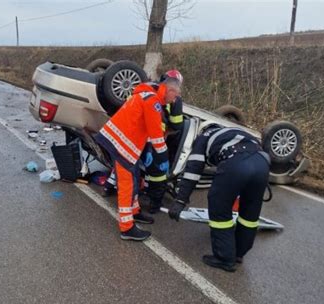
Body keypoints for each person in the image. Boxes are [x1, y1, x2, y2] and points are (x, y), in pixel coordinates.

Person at [168, 121, 270, 271]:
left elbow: (192, 172)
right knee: (250, 214)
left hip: (235, 161)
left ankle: (224, 258)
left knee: (219, 208)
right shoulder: (234, 132)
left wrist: (180, 201)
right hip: (262, 163)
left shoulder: (203, 139)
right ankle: (238, 253)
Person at [96, 77, 182, 241]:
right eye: (176, 95)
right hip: (122, 145)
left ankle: (134, 212)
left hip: (121, 142)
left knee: (135, 178)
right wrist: (164, 158)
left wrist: (149, 150)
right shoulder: (153, 102)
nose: (175, 99)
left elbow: (147, 130)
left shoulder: (148, 95)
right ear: (169, 90)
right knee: (127, 184)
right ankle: (126, 228)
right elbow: (156, 134)